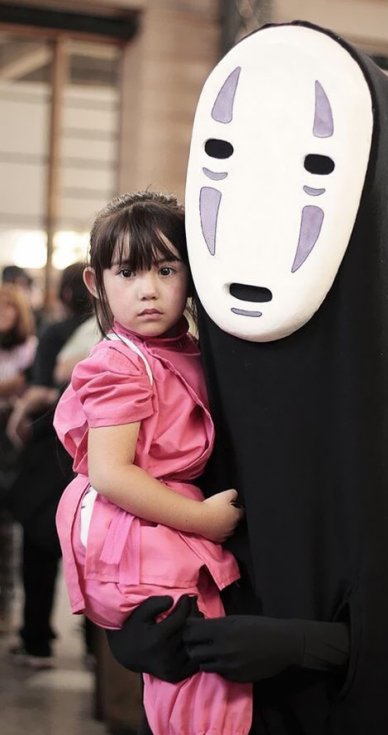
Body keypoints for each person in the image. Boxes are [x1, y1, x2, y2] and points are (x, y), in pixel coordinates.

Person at [107, 22, 388, 735]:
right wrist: (141, 631)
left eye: (314, 166)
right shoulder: (195, 383)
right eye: (223, 156)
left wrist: (310, 645)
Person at [53, 191, 252, 735]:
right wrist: (203, 520)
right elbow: (110, 472)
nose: (148, 290)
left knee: (208, 690)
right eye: (128, 272)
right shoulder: (120, 364)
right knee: (202, 693)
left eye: (166, 270)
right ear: (96, 283)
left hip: (163, 530)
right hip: (141, 538)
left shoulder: (185, 348)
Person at [6, 262, 92, 667]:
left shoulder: (57, 332)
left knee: (39, 546)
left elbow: (41, 388)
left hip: (54, 446)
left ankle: (37, 638)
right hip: (96, 450)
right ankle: (96, 645)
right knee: (92, 545)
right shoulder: (115, 330)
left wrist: (20, 415)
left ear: (65, 293)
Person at [0, 283, 37, 633]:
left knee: (10, 529)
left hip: (14, 443)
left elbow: (27, 383)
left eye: (8, 307)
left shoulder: (29, 348)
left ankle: (7, 607)